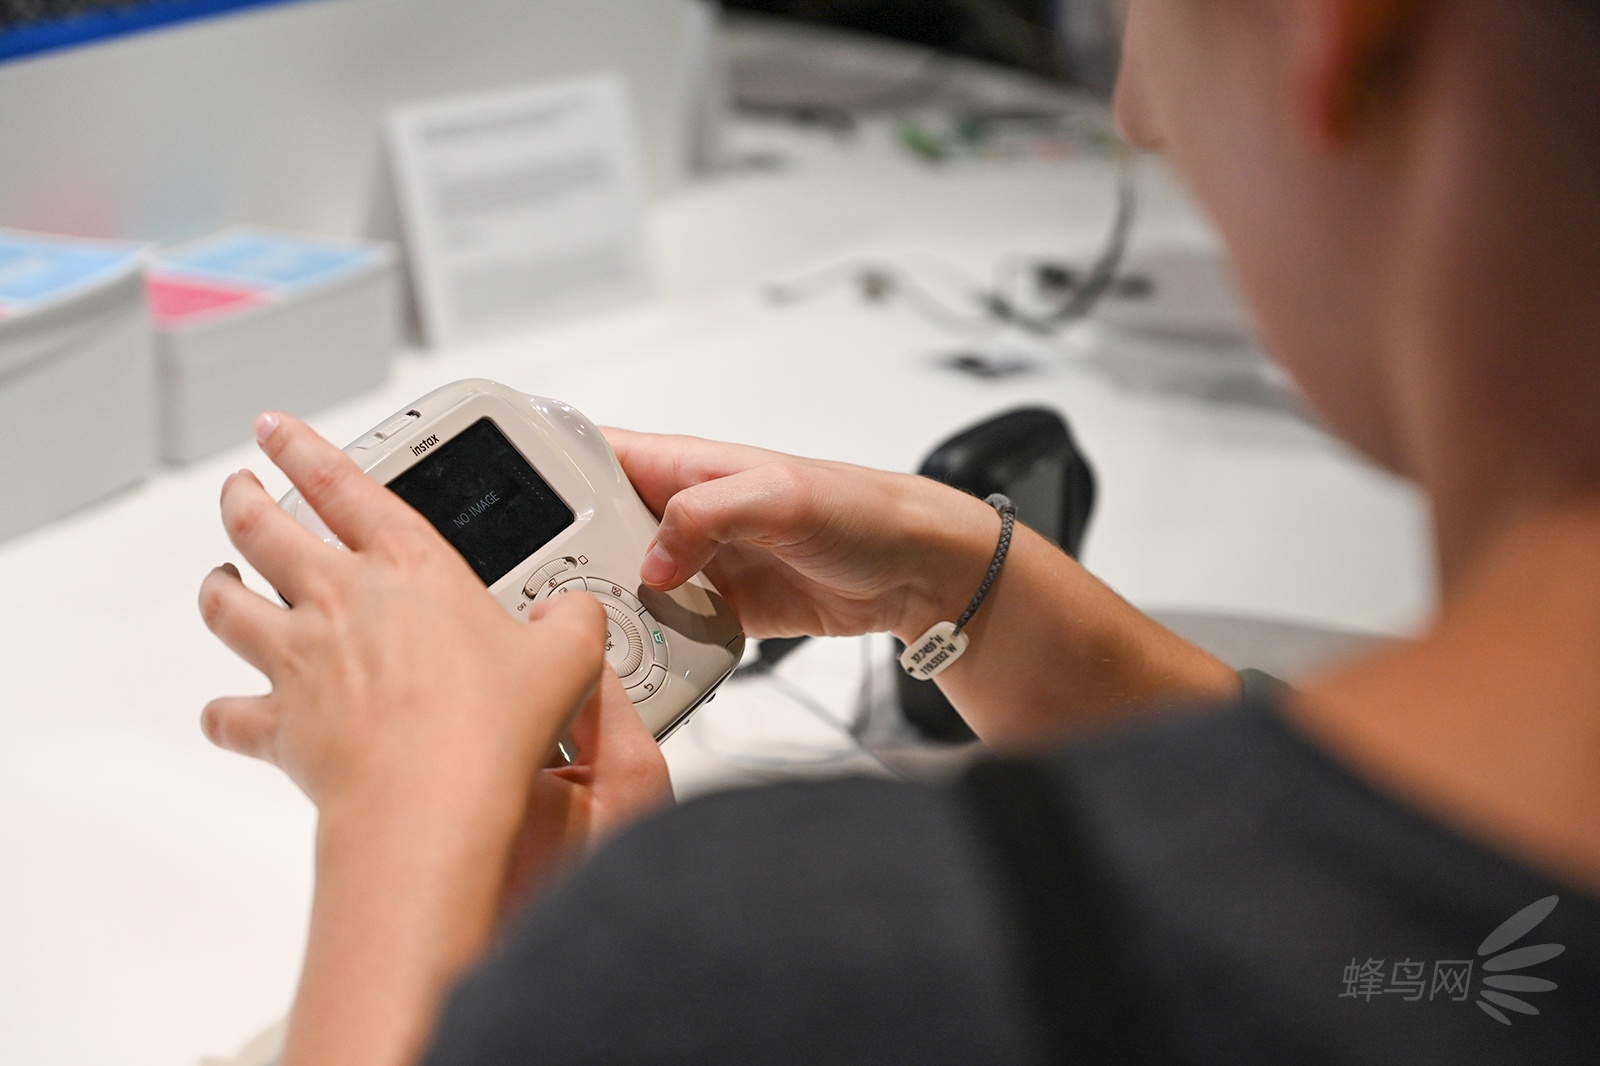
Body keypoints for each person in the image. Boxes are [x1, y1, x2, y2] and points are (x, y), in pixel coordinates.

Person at [197, 0, 1600, 1062]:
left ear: (1325, 25)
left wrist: (406, 836)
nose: (1137, 112)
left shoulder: (795, 955)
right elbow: (1375, 877)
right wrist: (977, 586)